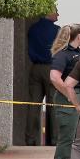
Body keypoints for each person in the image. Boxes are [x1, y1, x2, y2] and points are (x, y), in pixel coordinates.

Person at [48, 24, 80, 159]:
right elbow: (55, 77)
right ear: (78, 36)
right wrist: (70, 96)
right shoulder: (63, 55)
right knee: (67, 138)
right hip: (68, 99)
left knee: (78, 140)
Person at [26, 11, 60, 145]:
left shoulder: (32, 29)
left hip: (35, 68)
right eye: (56, 11)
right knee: (53, 105)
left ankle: (30, 139)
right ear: (49, 13)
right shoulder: (57, 30)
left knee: (33, 106)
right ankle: (54, 140)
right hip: (50, 69)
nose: (58, 14)